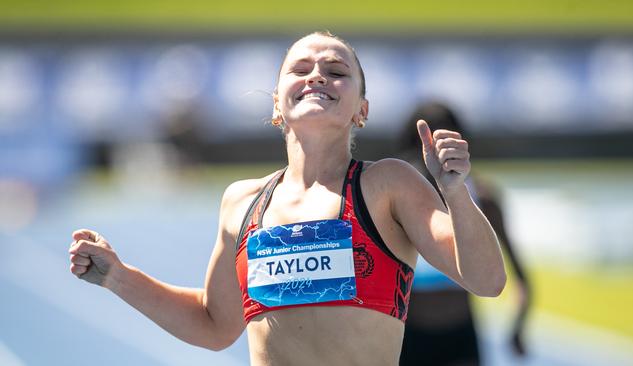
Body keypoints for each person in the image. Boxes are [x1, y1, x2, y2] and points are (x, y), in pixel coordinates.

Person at [68, 32, 507, 366]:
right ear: (278, 103)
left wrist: (453, 192)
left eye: (336, 71)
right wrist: (118, 277)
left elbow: (487, 281)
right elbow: (215, 324)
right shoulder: (242, 202)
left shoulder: (387, 184)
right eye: (301, 69)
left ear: (362, 110)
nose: (317, 76)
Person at [397, 102, 531, 366]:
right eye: (423, 145)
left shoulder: (484, 199)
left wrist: (518, 326)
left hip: (461, 337)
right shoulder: (397, 201)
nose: (431, 155)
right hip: (407, 337)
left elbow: (520, 278)